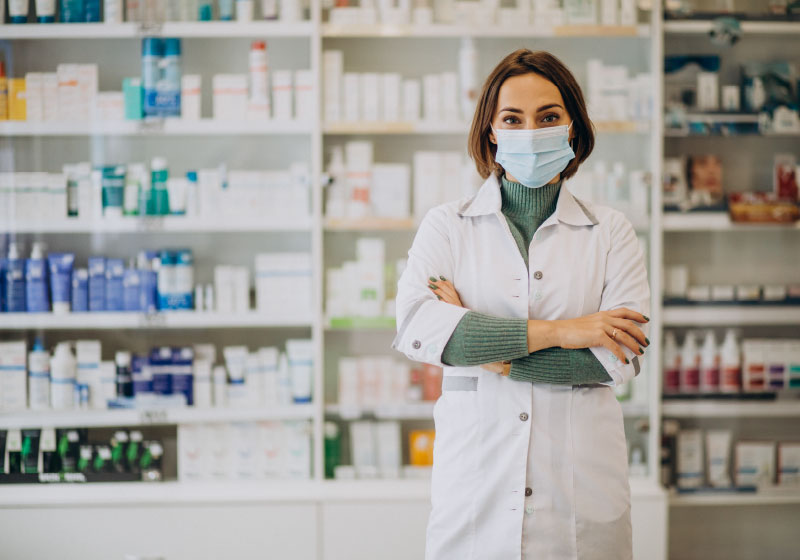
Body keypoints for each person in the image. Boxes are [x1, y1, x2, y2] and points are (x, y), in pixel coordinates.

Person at [391, 49, 651, 560]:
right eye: (513, 118)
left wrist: (491, 354)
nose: (531, 132)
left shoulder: (611, 231)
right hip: (476, 501)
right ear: (491, 130)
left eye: (548, 117)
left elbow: (617, 358)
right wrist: (569, 331)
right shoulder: (449, 225)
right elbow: (421, 330)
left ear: (572, 127)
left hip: (581, 502)